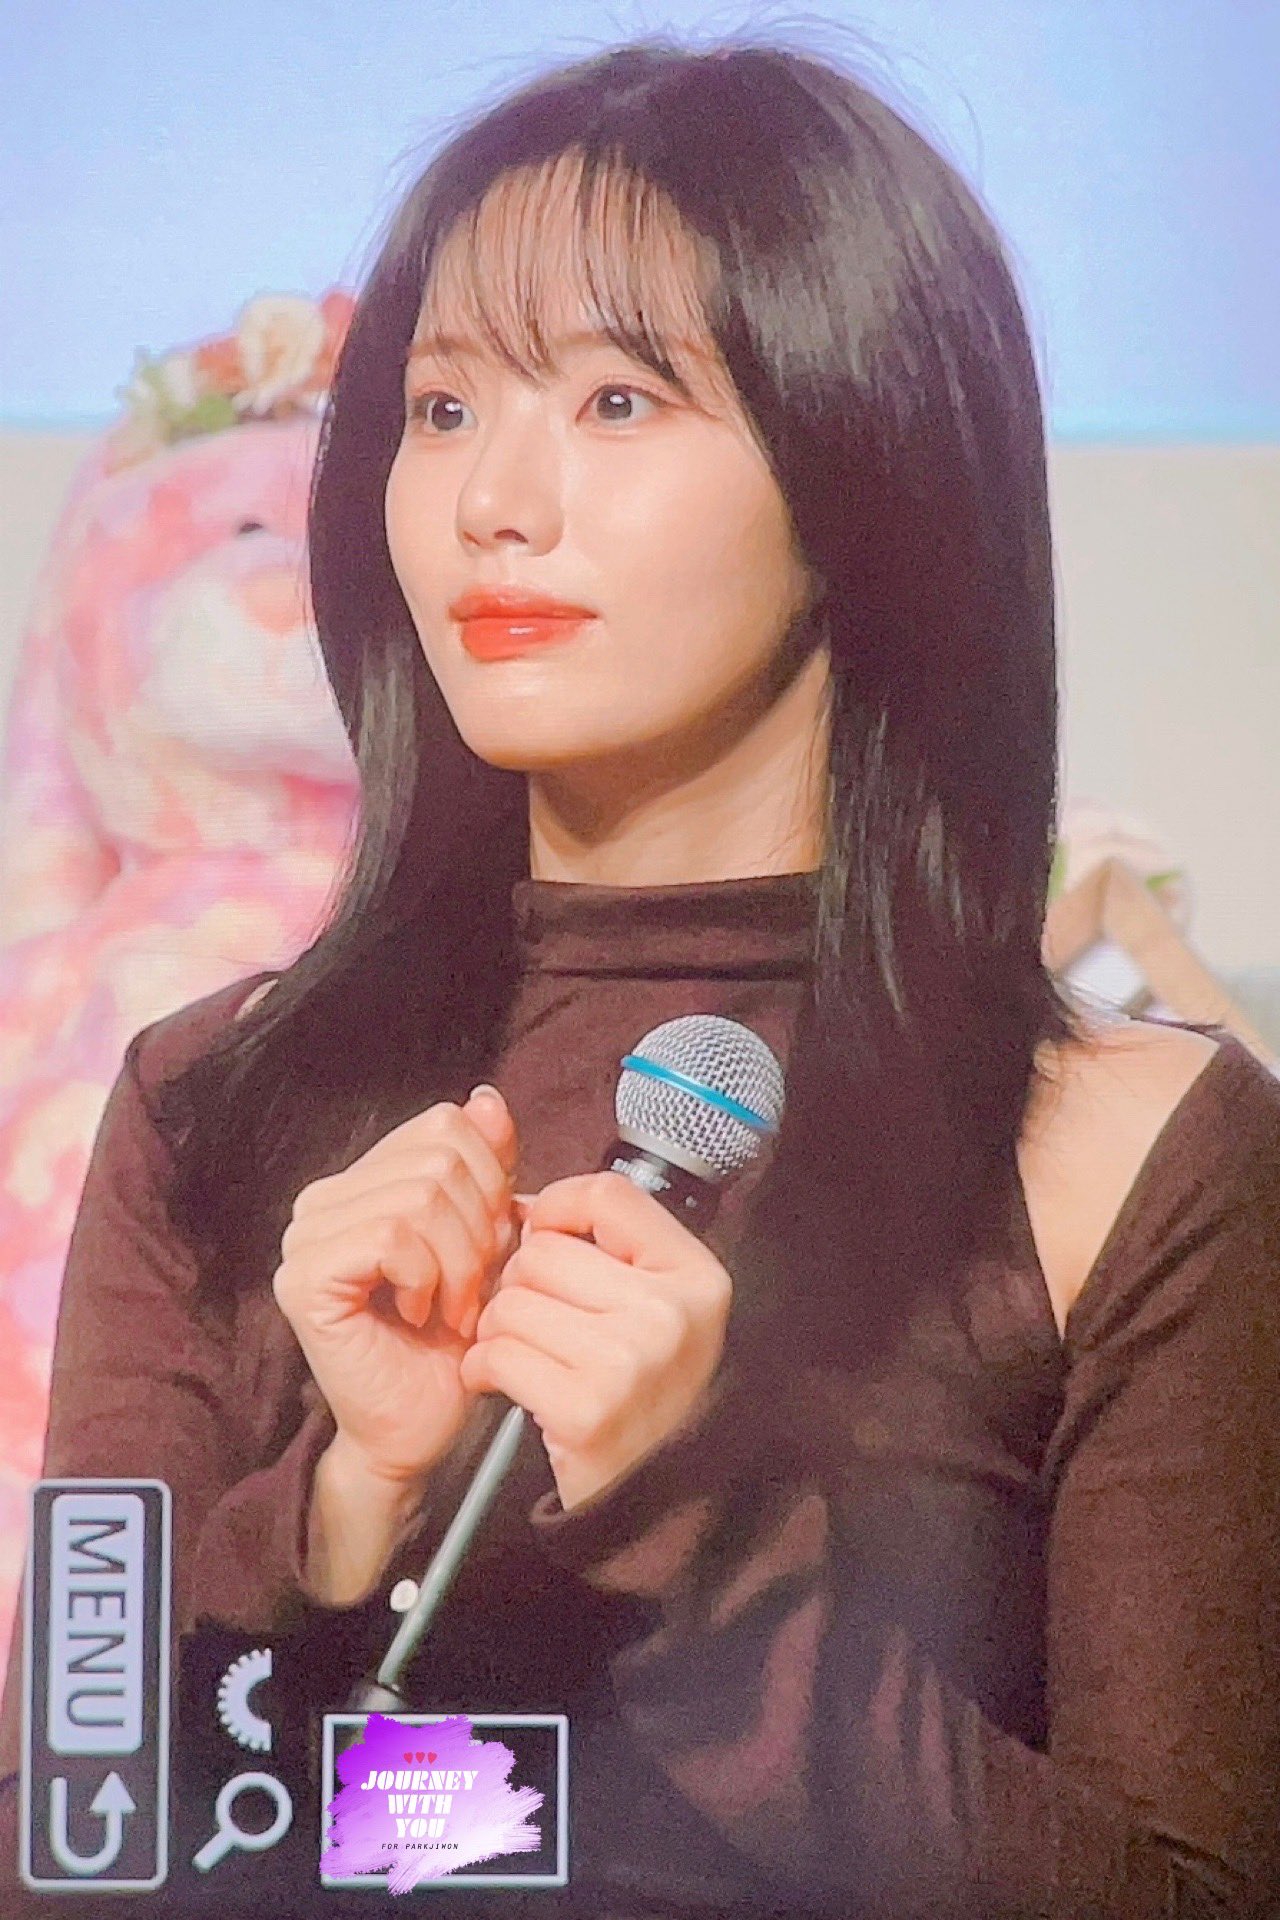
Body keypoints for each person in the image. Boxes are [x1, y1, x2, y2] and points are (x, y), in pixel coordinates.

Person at [3, 30, 1279, 1920]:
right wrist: (340, 1506)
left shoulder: (1128, 1145)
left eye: (616, 401)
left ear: (865, 472)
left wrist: (699, 1531)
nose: (493, 502)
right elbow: (57, 1847)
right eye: (444, 408)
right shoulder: (214, 1095)